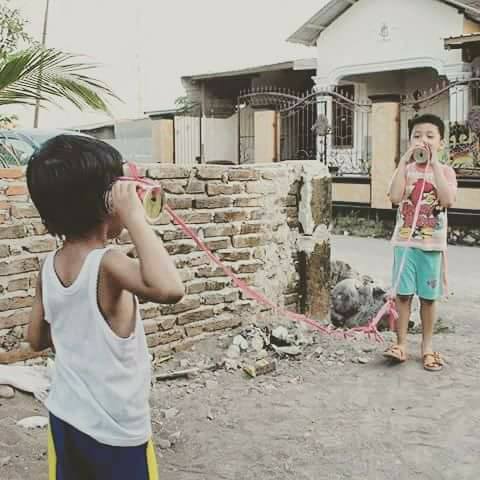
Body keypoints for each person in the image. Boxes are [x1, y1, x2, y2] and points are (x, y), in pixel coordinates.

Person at [26, 135, 184, 479]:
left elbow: (36, 339)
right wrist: (135, 219)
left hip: (66, 418)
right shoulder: (110, 265)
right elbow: (170, 288)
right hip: (116, 432)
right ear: (108, 202)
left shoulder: (48, 266)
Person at [384, 114, 457, 371]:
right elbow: (394, 196)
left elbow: (447, 201)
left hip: (431, 248)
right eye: (417, 136)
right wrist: (404, 162)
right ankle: (401, 344)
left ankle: (427, 347)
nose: (422, 140)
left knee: (428, 298)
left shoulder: (446, 171)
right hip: (405, 246)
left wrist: (435, 165)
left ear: (441, 143)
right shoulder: (405, 170)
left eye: (430, 136)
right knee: (402, 296)